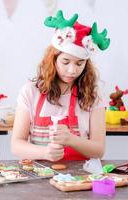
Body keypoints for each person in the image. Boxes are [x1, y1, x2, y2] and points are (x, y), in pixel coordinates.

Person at [11, 10, 110, 161]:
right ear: (53, 59)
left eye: (79, 63)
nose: (72, 70)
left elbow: (98, 150)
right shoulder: (31, 92)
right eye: (65, 62)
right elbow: (16, 145)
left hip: (80, 176)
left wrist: (71, 140)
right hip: (39, 175)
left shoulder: (93, 94)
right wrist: (44, 153)